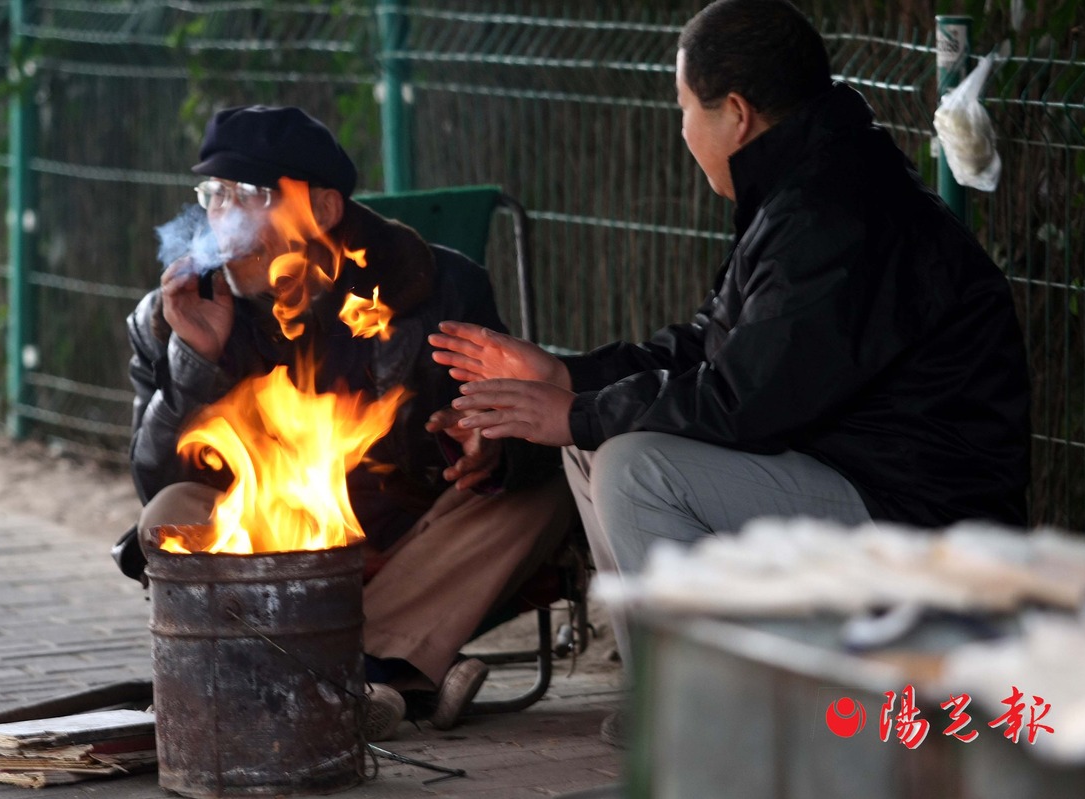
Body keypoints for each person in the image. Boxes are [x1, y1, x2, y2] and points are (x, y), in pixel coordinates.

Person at [430, 0, 1031, 746]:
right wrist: (566, 378)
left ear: (736, 114)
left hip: (924, 521)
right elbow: (710, 348)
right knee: (595, 438)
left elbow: (745, 399)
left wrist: (579, 410)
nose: (682, 130)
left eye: (686, 109)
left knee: (635, 465)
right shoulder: (805, 185)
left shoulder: (834, 211)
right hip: (858, 481)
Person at [116, 105, 574, 741]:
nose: (223, 217)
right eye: (214, 195)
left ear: (325, 210)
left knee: (550, 485)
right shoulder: (173, 315)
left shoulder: (436, 290)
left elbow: (513, 418)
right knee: (171, 513)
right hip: (280, 549)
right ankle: (383, 681)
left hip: (413, 540)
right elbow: (153, 479)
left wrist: (491, 450)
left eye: (250, 195)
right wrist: (194, 359)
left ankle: (347, 671)